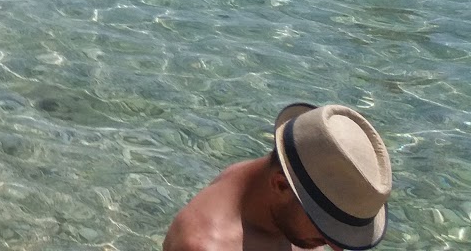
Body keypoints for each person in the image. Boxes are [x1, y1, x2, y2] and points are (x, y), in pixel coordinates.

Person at [163, 102, 391, 251]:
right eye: (325, 227)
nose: (335, 247)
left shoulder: (268, 184)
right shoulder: (207, 245)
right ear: (281, 185)